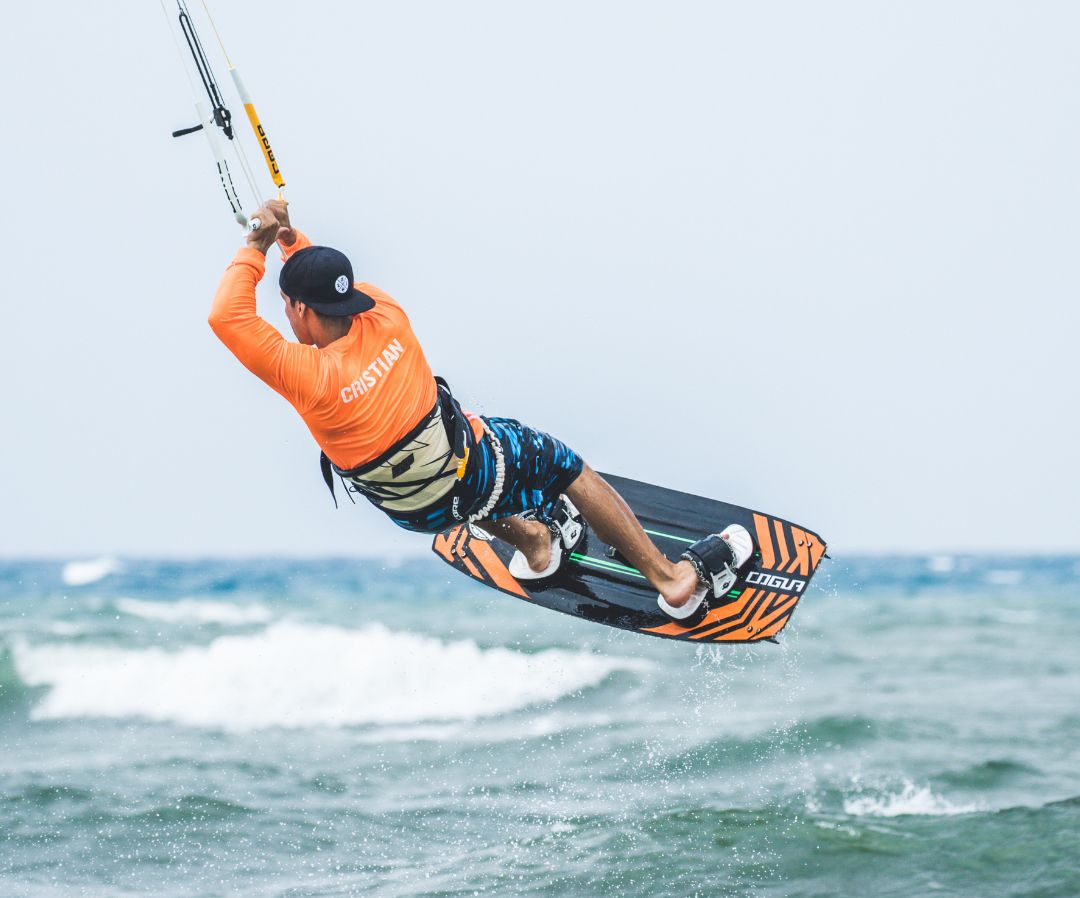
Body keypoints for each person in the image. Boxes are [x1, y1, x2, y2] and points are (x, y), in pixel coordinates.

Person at [208, 200, 751, 619]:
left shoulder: (305, 376)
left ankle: (536, 545)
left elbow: (227, 317)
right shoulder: (387, 313)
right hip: (466, 474)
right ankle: (670, 580)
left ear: (300, 309)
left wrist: (257, 245)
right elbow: (325, 282)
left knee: (452, 461)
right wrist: (287, 239)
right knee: (554, 463)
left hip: (417, 514)